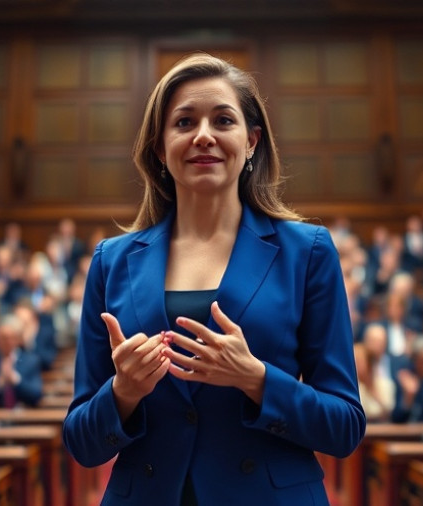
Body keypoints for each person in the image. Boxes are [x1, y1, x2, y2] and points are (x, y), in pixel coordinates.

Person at [63, 54, 365, 505]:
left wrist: (256, 378)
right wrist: (123, 392)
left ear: (251, 141)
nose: (203, 135)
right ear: (160, 148)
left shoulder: (308, 252)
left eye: (223, 120)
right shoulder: (112, 261)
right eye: (184, 122)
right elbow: (82, 443)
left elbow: (344, 428)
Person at [0, 315, 42, 408]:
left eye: (11, 338)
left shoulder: (31, 361)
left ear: (17, 339)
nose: (7, 342)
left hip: (24, 413)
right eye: (3, 338)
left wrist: (15, 379)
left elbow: (36, 395)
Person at [353, 343, 394, 422]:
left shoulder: (386, 385)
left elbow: (389, 414)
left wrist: (372, 391)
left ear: (369, 363)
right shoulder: (349, 387)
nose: (354, 364)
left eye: (358, 361)